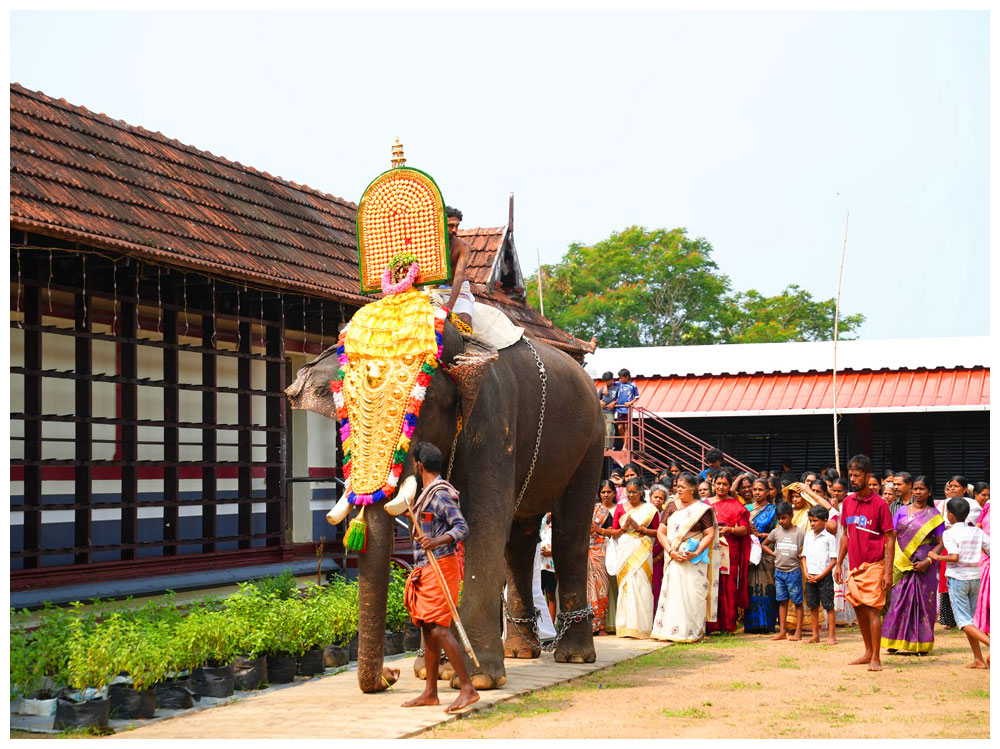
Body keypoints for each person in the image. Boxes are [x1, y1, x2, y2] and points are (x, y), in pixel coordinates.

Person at [401, 442, 479, 712]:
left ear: (418, 466)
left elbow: (462, 527)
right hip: (426, 567)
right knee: (427, 628)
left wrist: (435, 541)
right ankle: (430, 692)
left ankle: (468, 689)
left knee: (438, 628)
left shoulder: (440, 494)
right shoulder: (425, 496)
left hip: (440, 566)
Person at [834, 454, 896, 672]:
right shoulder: (847, 503)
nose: (852, 479)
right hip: (854, 566)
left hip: (875, 565)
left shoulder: (880, 504)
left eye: (857, 475)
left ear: (868, 476)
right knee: (859, 608)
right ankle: (868, 651)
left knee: (872, 610)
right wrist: (839, 563)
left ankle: (876, 657)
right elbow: (845, 535)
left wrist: (888, 572)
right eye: (850, 475)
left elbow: (890, 539)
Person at [651, 471, 719, 642]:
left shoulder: (702, 509)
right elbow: (661, 531)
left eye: (682, 487)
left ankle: (693, 632)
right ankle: (668, 631)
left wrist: (695, 553)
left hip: (693, 559)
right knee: (672, 593)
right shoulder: (671, 506)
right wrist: (670, 551)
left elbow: (709, 534)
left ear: (693, 488)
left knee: (694, 593)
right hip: (673, 556)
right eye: (677, 487)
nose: (678, 490)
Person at [879, 476, 944, 654]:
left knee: (923, 603)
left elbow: (940, 542)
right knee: (898, 601)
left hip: (925, 564)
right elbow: (892, 536)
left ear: (929, 492)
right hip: (902, 562)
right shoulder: (901, 511)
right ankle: (893, 641)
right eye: (915, 488)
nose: (917, 492)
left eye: (921, 489)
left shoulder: (935, 516)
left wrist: (928, 561)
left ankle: (921, 644)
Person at [929, 498, 991, 669]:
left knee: (964, 622)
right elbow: (991, 549)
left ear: (949, 514)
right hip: (975, 578)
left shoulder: (949, 533)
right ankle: (978, 659)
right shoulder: (976, 532)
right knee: (971, 622)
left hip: (958, 579)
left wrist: (937, 557)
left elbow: (954, 556)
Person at [610, 478, 660, 638]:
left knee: (641, 585)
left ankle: (642, 627)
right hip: (625, 548)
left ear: (641, 492)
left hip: (643, 548)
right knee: (626, 586)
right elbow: (615, 532)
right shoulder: (619, 508)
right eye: (628, 492)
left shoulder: (650, 509)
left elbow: (659, 532)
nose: (631, 495)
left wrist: (641, 529)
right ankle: (625, 626)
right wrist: (623, 528)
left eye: (634, 492)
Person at [706, 471, 750, 633]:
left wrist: (729, 529)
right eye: (718, 483)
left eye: (725, 484)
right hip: (709, 548)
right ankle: (710, 625)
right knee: (710, 584)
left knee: (728, 586)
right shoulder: (705, 504)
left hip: (730, 551)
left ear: (729, 486)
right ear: (713, 484)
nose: (721, 487)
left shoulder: (737, 505)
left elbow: (744, 530)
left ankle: (727, 624)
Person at [937, 475, 977, 628]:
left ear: (965, 489)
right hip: (948, 542)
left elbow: (970, 524)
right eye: (951, 486)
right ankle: (949, 619)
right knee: (946, 580)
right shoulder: (944, 503)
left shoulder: (972, 504)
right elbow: (942, 523)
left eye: (956, 486)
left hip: (966, 544)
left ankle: (967, 619)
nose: (952, 489)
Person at [763, 501, 805, 641]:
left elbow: (806, 548)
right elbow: (764, 545)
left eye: (784, 517)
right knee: (782, 601)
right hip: (779, 572)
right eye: (779, 518)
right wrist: (774, 554)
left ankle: (798, 632)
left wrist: (801, 555)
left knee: (797, 602)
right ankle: (782, 631)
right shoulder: (776, 532)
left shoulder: (800, 533)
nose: (781, 521)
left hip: (794, 572)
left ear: (791, 516)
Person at [744, 477, 778, 634]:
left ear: (768, 492)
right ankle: (751, 623)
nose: (757, 492)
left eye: (760, 489)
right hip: (749, 553)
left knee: (766, 586)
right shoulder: (746, 508)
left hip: (766, 553)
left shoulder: (773, 510)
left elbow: (778, 532)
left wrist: (760, 534)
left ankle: (767, 622)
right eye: (755, 489)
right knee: (750, 586)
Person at [802, 505, 839, 645]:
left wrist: (821, 575)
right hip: (811, 575)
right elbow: (804, 556)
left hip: (824, 577)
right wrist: (806, 572)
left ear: (825, 521)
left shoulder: (829, 538)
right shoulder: (808, 536)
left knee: (828, 605)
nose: (812, 524)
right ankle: (815, 634)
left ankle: (832, 637)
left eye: (815, 521)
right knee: (813, 605)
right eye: (811, 520)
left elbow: (833, 560)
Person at [588, 480, 617, 635]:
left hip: (600, 554)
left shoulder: (604, 512)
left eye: (608, 492)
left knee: (601, 590)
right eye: (603, 492)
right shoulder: (583, 510)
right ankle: (586, 626)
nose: (605, 494)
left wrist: (599, 530)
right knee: (586, 592)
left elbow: (612, 531)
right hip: (583, 554)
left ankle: (600, 627)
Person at [829, 477, 856, 626]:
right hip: (833, 543)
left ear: (845, 491)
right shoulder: (830, 504)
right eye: (834, 490)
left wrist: (838, 510)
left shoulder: (848, 503)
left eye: (840, 491)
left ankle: (848, 616)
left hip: (845, 541)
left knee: (845, 577)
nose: (836, 493)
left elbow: (844, 521)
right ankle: (836, 615)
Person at [441, 207, 473, 327]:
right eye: (451, 226)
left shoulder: (463, 247)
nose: (455, 230)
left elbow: (459, 276)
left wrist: (451, 303)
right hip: (435, 291)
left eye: (457, 226)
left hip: (459, 292)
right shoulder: (429, 244)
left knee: (464, 323)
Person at [972, 482, 990, 635]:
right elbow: (978, 528)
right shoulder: (988, 507)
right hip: (985, 555)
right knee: (983, 592)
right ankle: (984, 624)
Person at [649, 484, 670, 609]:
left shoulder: (666, 515)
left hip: (662, 555)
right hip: (644, 554)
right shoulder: (643, 512)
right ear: (650, 497)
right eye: (655, 497)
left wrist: (658, 558)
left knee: (658, 587)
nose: (657, 500)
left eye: (660, 498)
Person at [612, 369, 640, 450]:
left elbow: (637, 397)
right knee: (620, 427)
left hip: (627, 409)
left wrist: (630, 403)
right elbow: (609, 384)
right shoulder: (618, 384)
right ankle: (625, 443)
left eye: (622, 378)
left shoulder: (633, 385)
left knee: (627, 426)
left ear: (627, 377)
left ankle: (625, 446)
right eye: (619, 378)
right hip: (619, 408)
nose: (620, 379)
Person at [539, 513, 557, 623]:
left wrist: (551, 553)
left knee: (550, 593)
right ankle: (541, 623)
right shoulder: (540, 525)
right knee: (539, 594)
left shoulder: (557, 527)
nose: (549, 515)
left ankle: (551, 624)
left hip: (551, 565)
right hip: (539, 564)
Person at [597, 372, 619, 450]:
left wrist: (614, 402)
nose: (607, 382)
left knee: (610, 429)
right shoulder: (602, 389)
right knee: (603, 429)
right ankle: (604, 446)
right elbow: (597, 399)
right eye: (605, 381)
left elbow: (620, 398)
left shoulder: (617, 387)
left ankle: (609, 446)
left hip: (610, 412)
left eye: (608, 380)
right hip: (602, 411)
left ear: (612, 379)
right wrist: (600, 402)